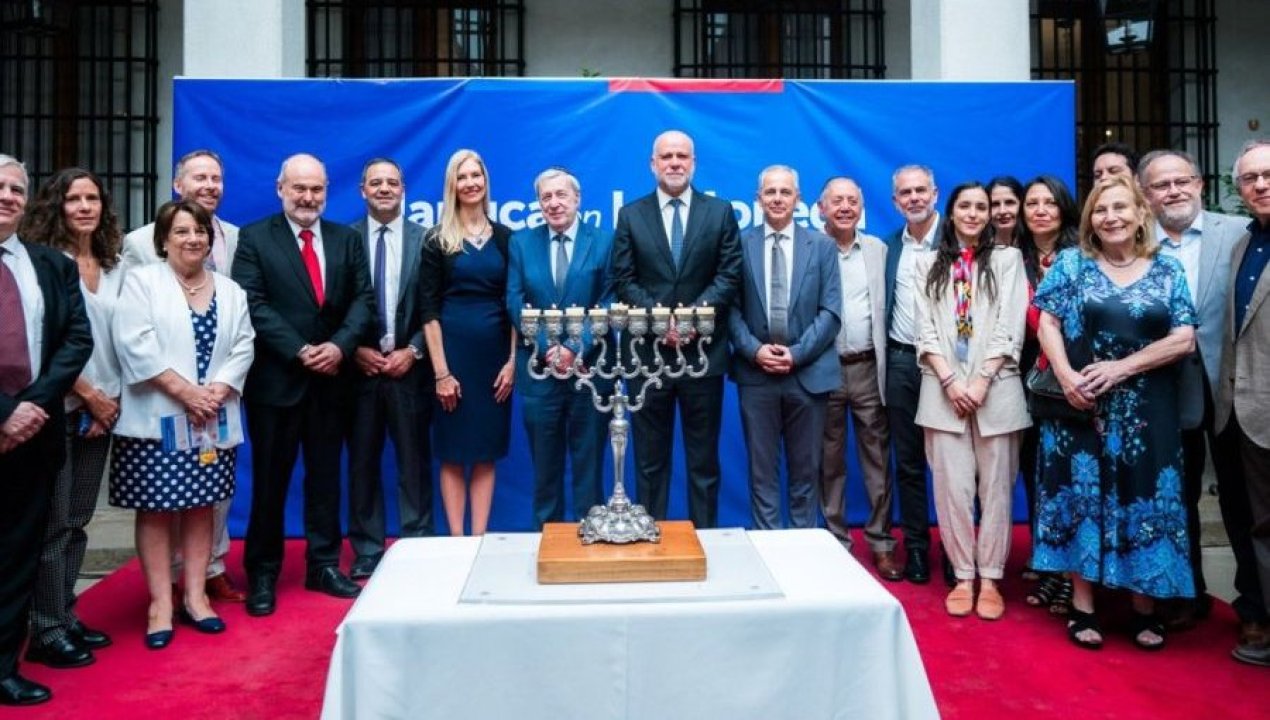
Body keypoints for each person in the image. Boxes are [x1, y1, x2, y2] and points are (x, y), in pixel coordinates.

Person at [1032, 174, 1197, 651]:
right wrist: (1067, 378)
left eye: (1121, 207)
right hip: (1080, 406)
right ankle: (1083, 607)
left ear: (1140, 214)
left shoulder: (1167, 268)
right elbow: (1047, 324)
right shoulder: (1071, 263)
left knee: (1145, 498)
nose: (1111, 217)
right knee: (1081, 498)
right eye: (1101, 210)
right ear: (1090, 220)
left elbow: (1184, 338)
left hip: (1148, 412)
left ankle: (1145, 607)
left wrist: (1122, 368)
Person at [231, 153, 374, 616]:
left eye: (316, 189)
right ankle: (263, 573)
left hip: (333, 381)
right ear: (281, 189)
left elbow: (363, 300)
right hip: (277, 383)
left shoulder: (346, 239)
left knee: (326, 479)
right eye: (299, 188)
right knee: (270, 482)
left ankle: (323, 564)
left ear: (326, 190)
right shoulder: (254, 238)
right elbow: (252, 303)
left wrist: (339, 347)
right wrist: (299, 349)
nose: (308, 197)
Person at [110, 200, 254, 648]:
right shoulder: (142, 282)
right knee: (156, 509)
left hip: (211, 420)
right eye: (182, 231)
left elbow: (244, 345)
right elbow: (134, 343)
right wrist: (187, 393)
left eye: (200, 231)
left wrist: (217, 391)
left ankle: (195, 596)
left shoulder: (231, 290)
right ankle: (160, 604)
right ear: (164, 239)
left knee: (202, 506)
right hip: (158, 418)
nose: (193, 239)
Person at [1139, 148, 1257, 633]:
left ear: (1200, 184)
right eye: (1161, 185)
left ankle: (1254, 604)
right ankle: (1186, 594)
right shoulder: (1135, 241)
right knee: (1176, 497)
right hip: (1166, 391)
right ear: (1145, 195)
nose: (1173, 191)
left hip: (1233, 387)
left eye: (1181, 181)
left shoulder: (1241, 233)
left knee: (1242, 497)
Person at [122, 148, 244, 603]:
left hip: (216, 402)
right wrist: (185, 392)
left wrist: (216, 390)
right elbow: (133, 331)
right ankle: (167, 587)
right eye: (199, 177)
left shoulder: (235, 238)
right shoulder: (139, 246)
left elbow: (242, 335)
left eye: (216, 178)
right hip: (164, 400)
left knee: (209, 495)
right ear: (178, 184)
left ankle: (208, 572)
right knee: (161, 501)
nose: (209, 185)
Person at [611, 130, 742, 529]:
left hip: (703, 355)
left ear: (693, 163)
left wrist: (690, 319)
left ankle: (706, 539)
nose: (674, 163)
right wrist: (661, 320)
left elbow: (729, 273)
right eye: (666, 156)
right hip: (647, 357)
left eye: (682, 156)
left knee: (703, 462)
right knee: (650, 462)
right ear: (653, 164)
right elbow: (624, 279)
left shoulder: (719, 212)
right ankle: (652, 536)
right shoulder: (630, 215)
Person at [18, 168, 122, 668]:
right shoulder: (42, 263)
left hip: (103, 412)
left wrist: (107, 403)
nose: (84, 207)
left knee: (79, 520)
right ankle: (45, 629)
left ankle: (65, 611)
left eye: (92, 198)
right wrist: (87, 395)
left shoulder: (113, 263)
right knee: (53, 524)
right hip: (59, 409)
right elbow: (52, 342)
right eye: (74, 199)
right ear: (56, 206)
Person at [0, 154, 92, 707]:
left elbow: (76, 339)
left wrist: (30, 407)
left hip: (34, 435)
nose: (7, 196)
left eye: (16, 188)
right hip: (8, 420)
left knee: (18, 555)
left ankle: (3, 666)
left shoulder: (50, 265)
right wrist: (2, 411)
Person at [913, 182, 1029, 620]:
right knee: (952, 491)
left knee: (996, 490)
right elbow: (924, 330)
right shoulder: (926, 264)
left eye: (982, 207)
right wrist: (949, 380)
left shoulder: (1008, 259)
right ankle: (963, 576)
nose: (974, 213)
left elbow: (1010, 326)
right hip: (943, 391)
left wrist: (981, 381)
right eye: (965, 206)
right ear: (952, 212)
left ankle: (991, 578)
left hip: (996, 390)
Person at [729, 165, 840, 530]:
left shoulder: (822, 246)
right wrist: (754, 350)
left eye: (785, 192)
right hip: (756, 375)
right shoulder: (738, 244)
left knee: (806, 473)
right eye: (770, 192)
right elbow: (729, 309)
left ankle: (802, 549)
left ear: (798, 199)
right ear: (758, 199)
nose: (777, 198)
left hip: (807, 374)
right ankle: (768, 548)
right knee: (761, 473)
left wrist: (796, 354)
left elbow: (831, 312)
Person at [506, 167, 613, 528]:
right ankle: (547, 538)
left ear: (577, 199)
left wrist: (574, 348)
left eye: (561, 195)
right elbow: (514, 301)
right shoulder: (521, 243)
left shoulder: (604, 241)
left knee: (589, 468)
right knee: (545, 471)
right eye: (546, 197)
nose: (553, 203)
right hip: (540, 374)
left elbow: (609, 300)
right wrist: (548, 349)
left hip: (590, 372)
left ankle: (591, 534)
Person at [346, 158, 433, 578]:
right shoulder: (343, 239)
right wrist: (354, 349)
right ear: (362, 190)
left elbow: (438, 304)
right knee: (362, 462)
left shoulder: (427, 240)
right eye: (376, 182)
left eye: (392, 182)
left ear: (403, 189)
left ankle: (416, 543)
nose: (384, 189)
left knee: (414, 463)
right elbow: (332, 304)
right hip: (359, 371)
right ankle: (367, 547)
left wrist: (413, 350)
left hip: (409, 369)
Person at [420, 149, 514, 536]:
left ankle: (478, 540)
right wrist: (441, 373)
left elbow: (514, 303)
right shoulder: (436, 240)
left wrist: (512, 362)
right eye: (463, 176)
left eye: (477, 175)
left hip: (495, 361)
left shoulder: (506, 238)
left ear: (485, 181)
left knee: (486, 451)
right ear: (452, 185)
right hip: (453, 358)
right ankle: (456, 542)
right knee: (453, 453)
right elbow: (428, 310)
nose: (471, 183)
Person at [816, 177, 899, 577]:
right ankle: (836, 542)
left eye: (852, 200)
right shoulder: (811, 248)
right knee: (829, 460)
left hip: (868, 365)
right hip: (825, 367)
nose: (845, 207)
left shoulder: (879, 250)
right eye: (837, 201)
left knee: (877, 459)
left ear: (861, 207)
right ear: (821, 208)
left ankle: (881, 542)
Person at [1216, 137, 1270, 667]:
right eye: (1250, 178)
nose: (1261, 185)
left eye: (1268, 175)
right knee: (1250, 523)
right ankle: (1260, 616)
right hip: (1237, 410)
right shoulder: (1243, 244)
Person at [1018, 175, 1080, 613]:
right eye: (1032, 203)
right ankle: (1048, 564)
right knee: (1036, 473)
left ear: (1063, 208)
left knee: (1070, 477)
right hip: (1025, 379)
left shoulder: (1083, 254)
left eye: (1049, 203)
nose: (1040, 210)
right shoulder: (1012, 258)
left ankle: (1073, 574)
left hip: (1073, 378)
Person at [883, 164, 940, 583]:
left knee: (956, 465)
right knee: (907, 462)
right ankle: (917, 549)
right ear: (895, 201)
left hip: (950, 368)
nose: (914, 198)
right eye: (906, 193)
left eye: (921, 190)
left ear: (935, 194)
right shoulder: (889, 248)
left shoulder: (958, 240)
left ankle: (958, 554)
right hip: (902, 362)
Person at [987, 176, 1025, 248]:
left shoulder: (1037, 248)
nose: (1002, 211)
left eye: (1009, 202)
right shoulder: (975, 250)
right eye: (995, 204)